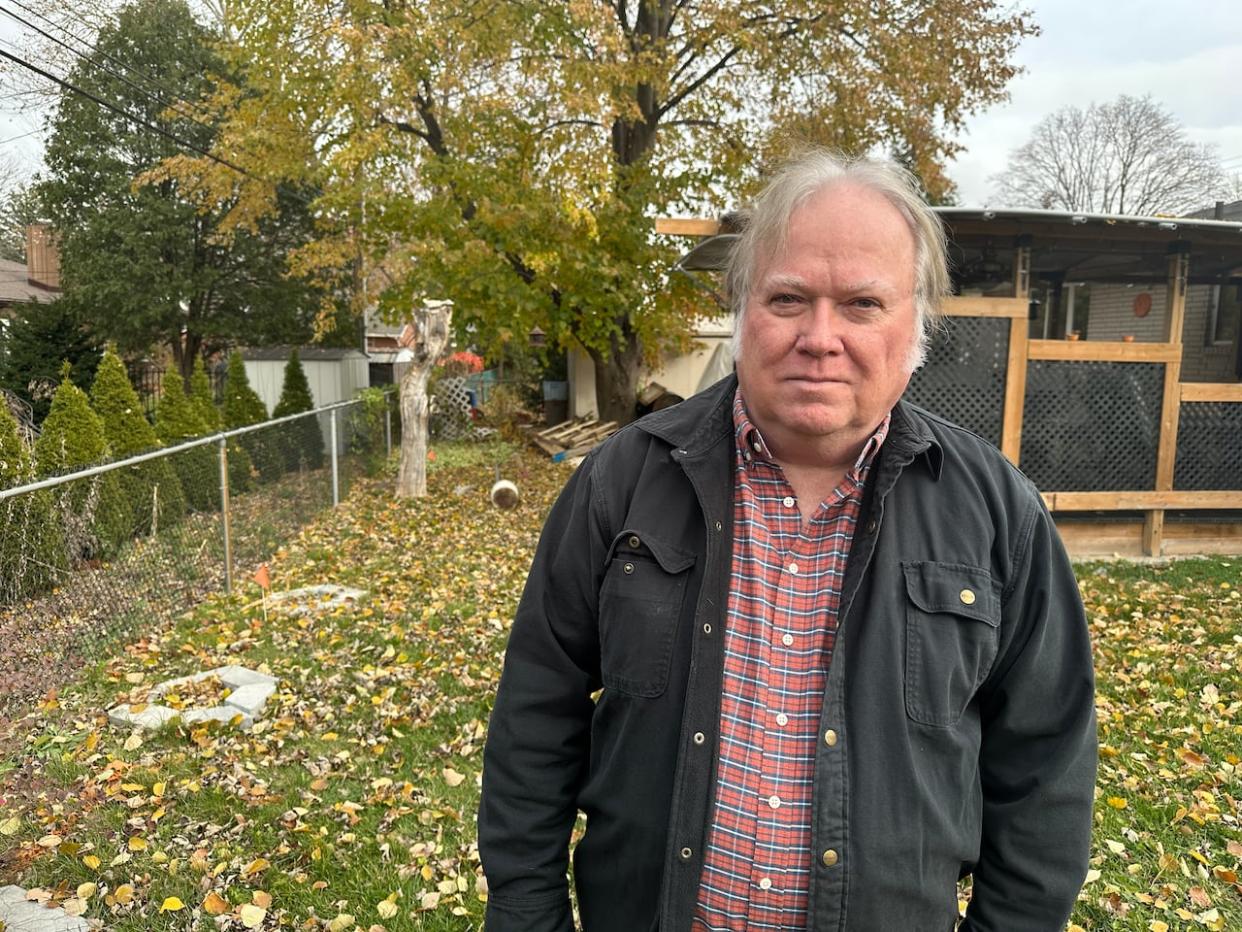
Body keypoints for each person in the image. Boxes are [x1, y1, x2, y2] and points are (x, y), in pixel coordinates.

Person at [479, 150, 1097, 932]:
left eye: (863, 304)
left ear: (916, 328)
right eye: (788, 298)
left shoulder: (999, 513)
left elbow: (1047, 767)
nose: (820, 336)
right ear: (741, 311)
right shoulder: (622, 483)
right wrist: (529, 915)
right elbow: (537, 715)